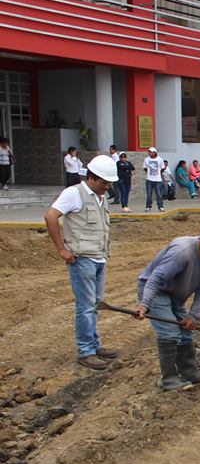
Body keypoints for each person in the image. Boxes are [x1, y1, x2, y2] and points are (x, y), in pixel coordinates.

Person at [135, 219, 200, 390]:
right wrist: (144, 304)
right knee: (169, 332)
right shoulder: (182, 251)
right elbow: (155, 279)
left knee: (186, 333)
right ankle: (168, 379)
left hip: (176, 295)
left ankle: (189, 372)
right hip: (157, 290)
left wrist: (193, 316)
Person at [43, 155, 119, 370]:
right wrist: (61, 249)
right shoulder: (73, 194)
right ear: (92, 177)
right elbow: (51, 216)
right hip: (82, 259)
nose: (108, 187)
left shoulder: (100, 197)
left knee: (95, 305)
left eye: (109, 183)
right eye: (104, 183)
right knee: (86, 307)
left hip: (99, 257)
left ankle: (94, 345)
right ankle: (85, 351)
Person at [143, 147, 165, 212]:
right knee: (149, 194)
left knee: (158, 193)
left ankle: (160, 206)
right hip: (149, 179)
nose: (149, 153)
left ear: (155, 152)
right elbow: (145, 168)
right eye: (149, 152)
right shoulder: (146, 159)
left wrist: (158, 173)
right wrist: (149, 173)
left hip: (158, 180)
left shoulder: (160, 159)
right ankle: (148, 206)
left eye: (151, 152)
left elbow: (163, 168)